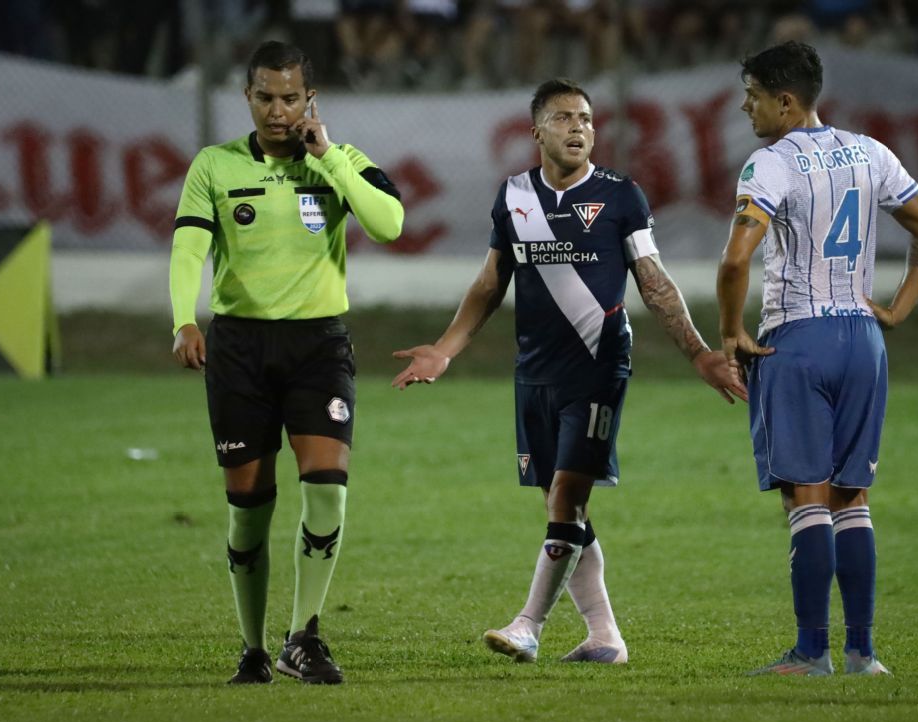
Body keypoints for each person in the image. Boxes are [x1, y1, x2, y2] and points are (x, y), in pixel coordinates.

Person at [393, 78, 745, 664]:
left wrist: (699, 352)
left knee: (565, 497)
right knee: (565, 508)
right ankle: (605, 636)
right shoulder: (514, 196)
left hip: (598, 368)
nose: (578, 127)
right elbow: (490, 282)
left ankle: (528, 625)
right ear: (536, 131)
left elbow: (654, 283)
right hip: (535, 372)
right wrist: (446, 349)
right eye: (563, 118)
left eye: (585, 118)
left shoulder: (620, 195)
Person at [169, 40, 404, 685]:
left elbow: (389, 224)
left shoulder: (342, 160)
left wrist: (329, 158)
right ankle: (252, 649)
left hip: (318, 348)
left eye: (291, 98)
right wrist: (183, 319)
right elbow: (188, 249)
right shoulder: (214, 166)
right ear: (247, 97)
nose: (278, 111)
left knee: (327, 491)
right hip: (239, 350)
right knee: (248, 508)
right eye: (266, 97)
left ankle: (303, 636)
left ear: (310, 100)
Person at [717, 41, 918, 676]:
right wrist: (896, 310)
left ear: (785, 101)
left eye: (753, 96)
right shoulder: (871, 152)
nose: (746, 107)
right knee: (854, 497)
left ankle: (810, 651)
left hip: (799, 338)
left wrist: (731, 331)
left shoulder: (771, 164)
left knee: (807, 497)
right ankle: (862, 653)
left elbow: (735, 261)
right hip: (863, 342)